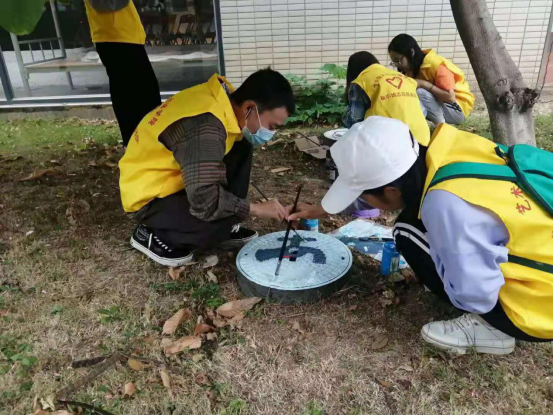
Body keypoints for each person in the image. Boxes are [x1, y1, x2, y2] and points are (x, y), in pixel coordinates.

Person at [289, 116, 553, 354]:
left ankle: (491, 329)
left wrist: (445, 266)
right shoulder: (448, 146)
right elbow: (386, 192)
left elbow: (477, 296)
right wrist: (322, 208)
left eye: (362, 195)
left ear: (392, 191)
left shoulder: (445, 205)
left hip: (541, 310)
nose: (363, 200)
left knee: (407, 232)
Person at [119, 68, 295, 267]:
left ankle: (224, 223)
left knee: (242, 143)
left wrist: (234, 210)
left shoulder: (224, 102)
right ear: (249, 107)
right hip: (149, 196)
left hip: (178, 176)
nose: (270, 134)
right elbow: (205, 201)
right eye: (271, 126)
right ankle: (151, 234)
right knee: (216, 226)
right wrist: (253, 208)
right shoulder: (206, 126)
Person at [84, 0, 161, 146]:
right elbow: (107, 4)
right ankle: (137, 144)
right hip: (115, 36)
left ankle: (144, 142)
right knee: (135, 96)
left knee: (143, 94)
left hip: (122, 36)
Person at [342, 51, 430, 147]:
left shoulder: (361, 81)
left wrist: (344, 115)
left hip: (389, 146)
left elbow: (354, 121)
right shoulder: (403, 77)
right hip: (422, 141)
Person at [388, 34, 475, 126]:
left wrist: (424, 84)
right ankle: (414, 126)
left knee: (420, 92)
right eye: (394, 62)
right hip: (442, 106)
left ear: (411, 52)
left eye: (398, 60)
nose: (397, 65)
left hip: (457, 110)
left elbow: (450, 97)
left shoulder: (436, 65)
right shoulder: (411, 69)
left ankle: (441, 126)